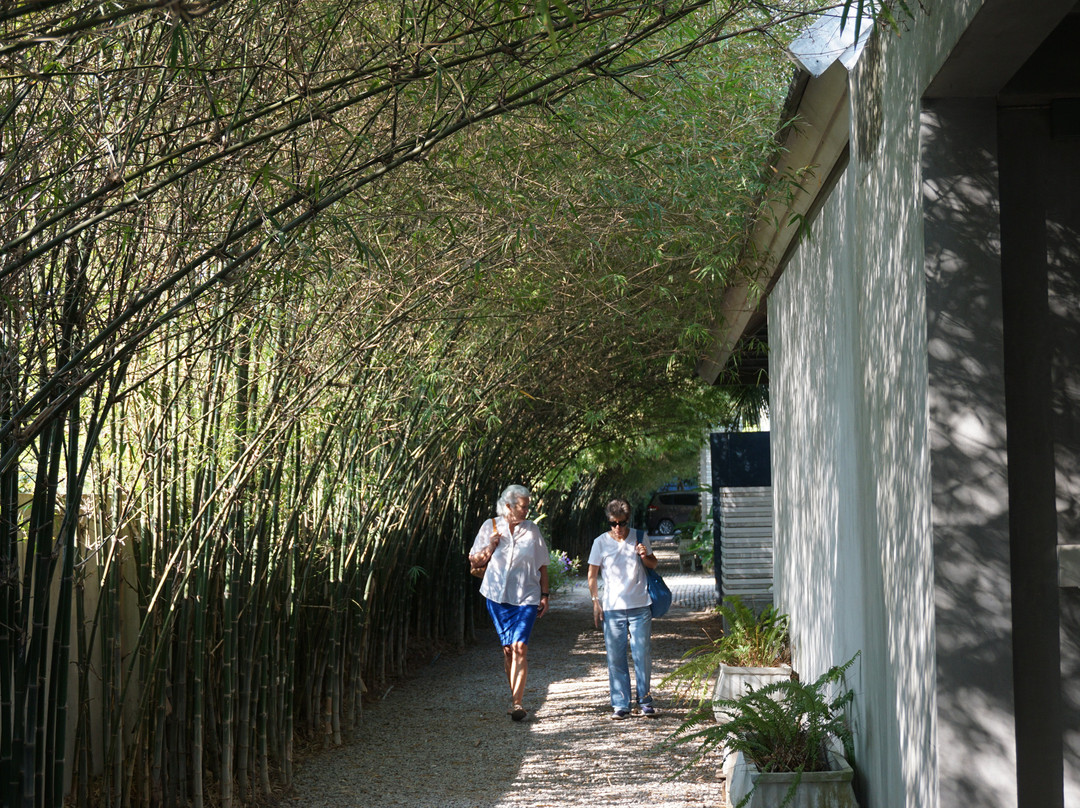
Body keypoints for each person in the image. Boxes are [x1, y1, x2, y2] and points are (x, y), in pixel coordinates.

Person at [468, 484, 550, 721]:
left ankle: (517, 703)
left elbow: (543, 566)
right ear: (508, 506)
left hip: (527, 597)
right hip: (497, 597)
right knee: (507, 650)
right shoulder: (490, 526)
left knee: (520, 647)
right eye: (523, 506)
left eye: (527, 506)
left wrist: (545, 595)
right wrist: (491, 545)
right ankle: (514, 696)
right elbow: (474, 560)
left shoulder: (532, 530)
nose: (527, 510)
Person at [588, 498, 659, 719]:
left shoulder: (639, 537)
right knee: (615, 657)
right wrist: (596, 602)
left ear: (628, 520)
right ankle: (621, 704)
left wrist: (644, 555)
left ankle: (645, 700)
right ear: (608, 521)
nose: (618, 527)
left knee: (642, 655)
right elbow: (592, 574)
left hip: (640, 605)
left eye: (622, 522)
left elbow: (653, 564)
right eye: (613, 523)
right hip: (613, 608)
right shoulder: (600, 542)